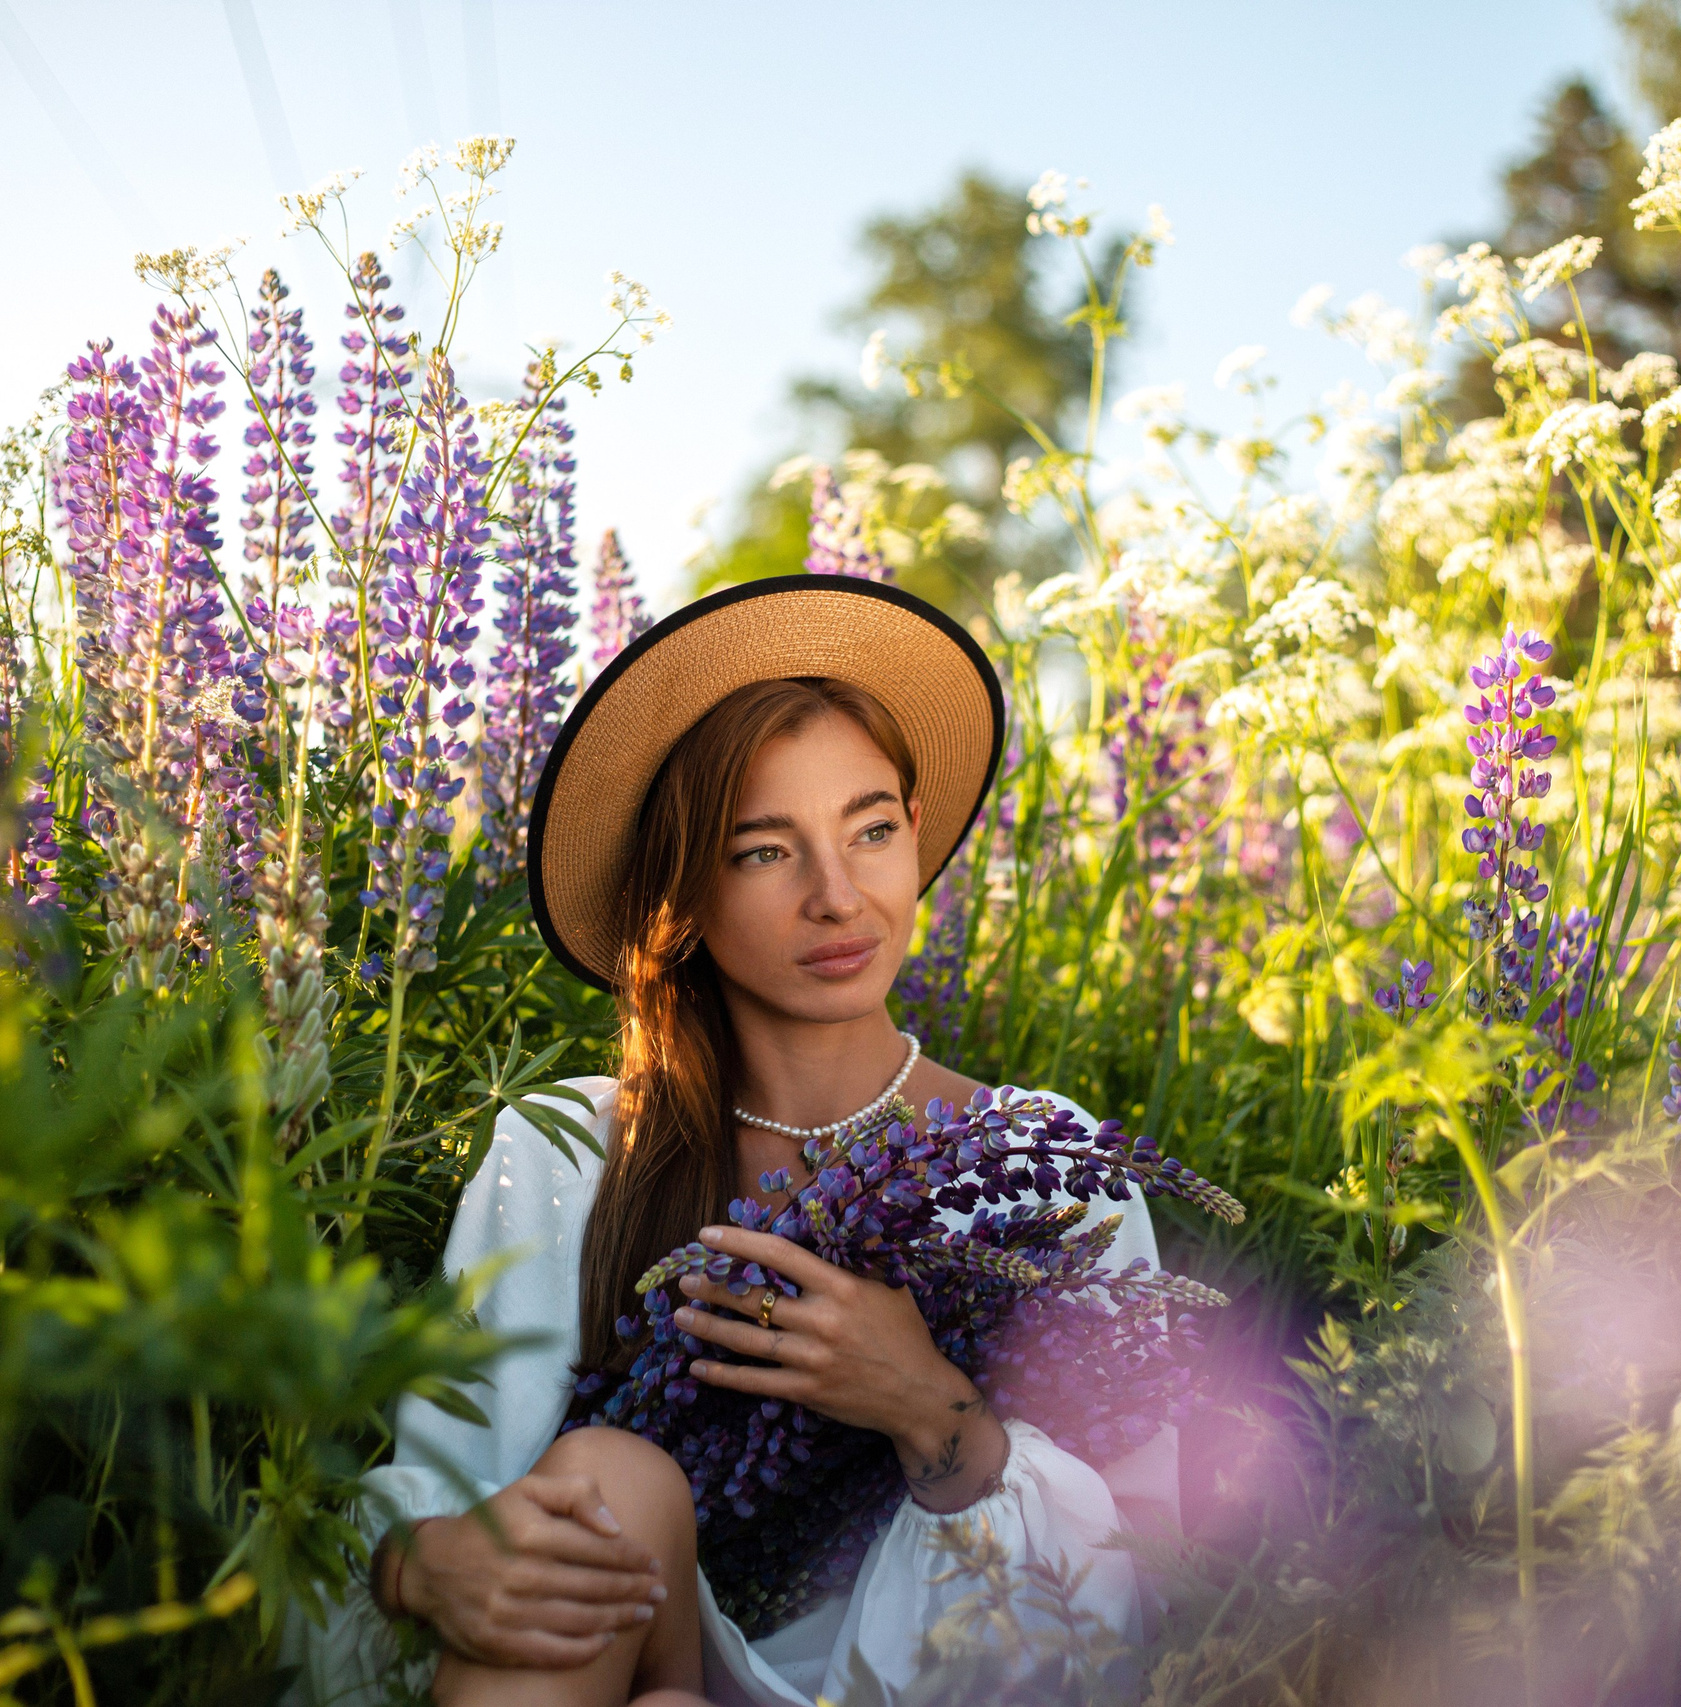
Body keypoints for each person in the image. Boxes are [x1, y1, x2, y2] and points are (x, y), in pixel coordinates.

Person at [291, 576, 1179, 1706]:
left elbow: (1149, 1580)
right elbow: (457, 1490)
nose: (838, 897)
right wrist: (422, 1565)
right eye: (765, 850)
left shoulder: (1049, 1172)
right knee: (605, 1481)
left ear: (916, 834)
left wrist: (926, 1406)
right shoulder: (571, 1149)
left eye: (869, 829)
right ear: (683, 893)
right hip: (602, 1651)